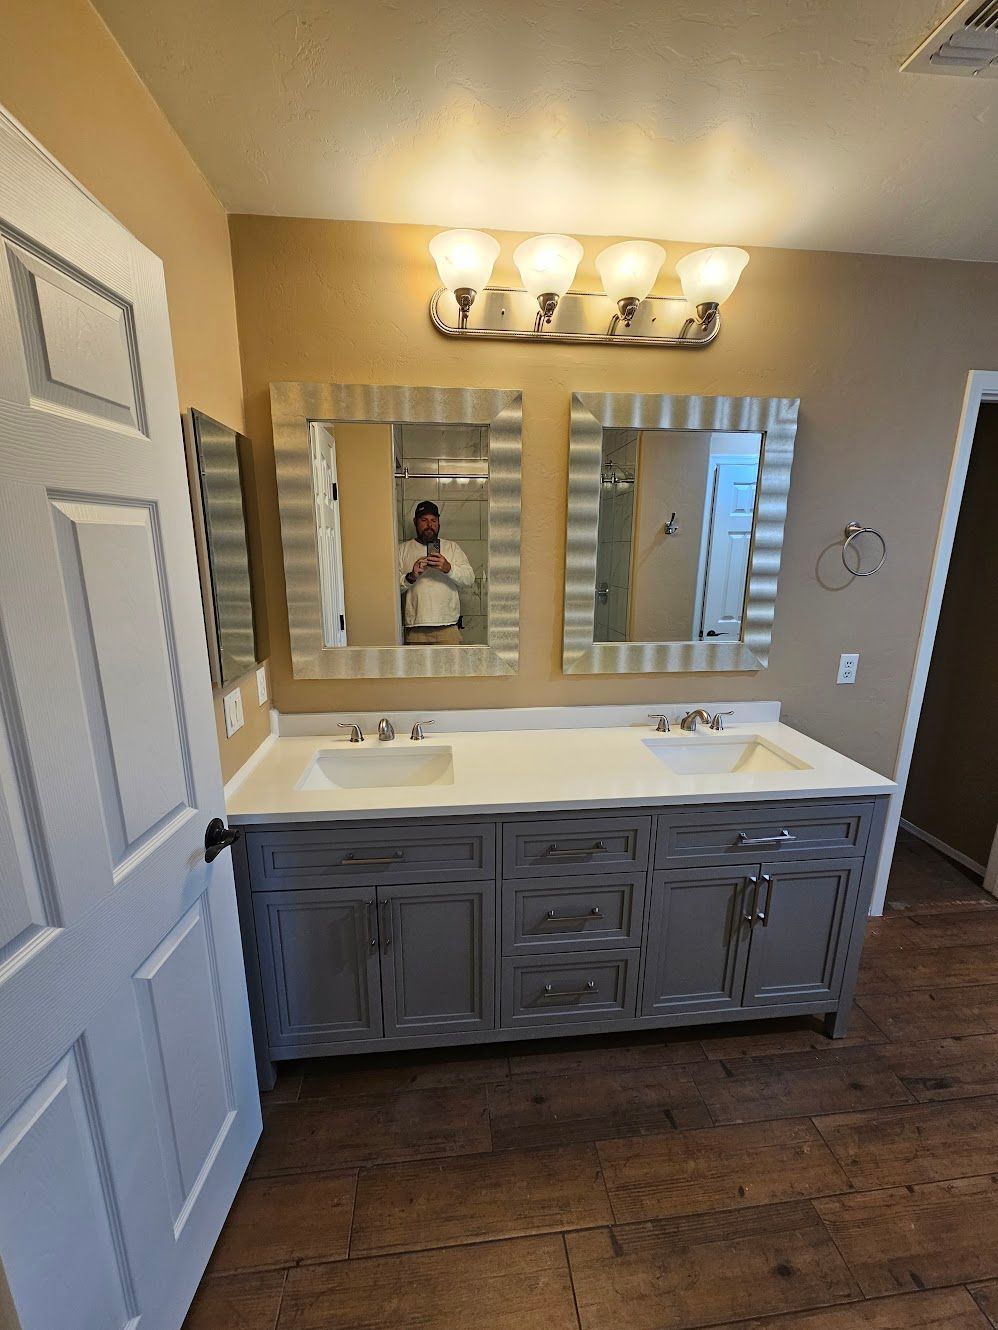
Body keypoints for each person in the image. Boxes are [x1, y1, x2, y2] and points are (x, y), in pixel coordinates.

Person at [399, 499, 475, 644]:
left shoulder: (452, 548)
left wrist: (448, 568)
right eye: (424, 520)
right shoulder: (402, 550)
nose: (429, 525)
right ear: (415, 522)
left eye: (433, 520)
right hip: (415, 629)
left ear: (439, 523)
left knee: (452, 661)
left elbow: (470, 579)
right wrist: (411, 577)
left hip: (448, 629)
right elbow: (391, 591)